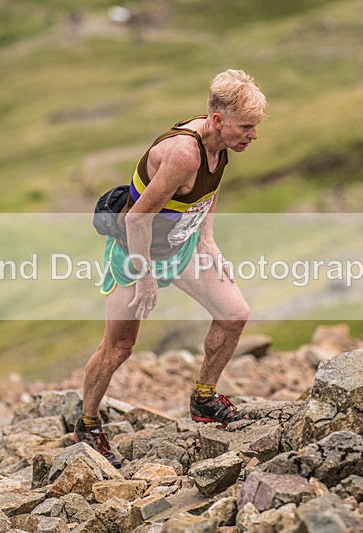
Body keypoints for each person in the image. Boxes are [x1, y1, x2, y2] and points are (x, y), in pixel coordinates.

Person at [74, 69, 268, 467]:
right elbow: (136, 219)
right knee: (118, 349)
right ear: (218, 120)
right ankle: (88, 424)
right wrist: (145, 275)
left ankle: (204, 399)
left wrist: (207, 239)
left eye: (255, 127)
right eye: (246, 127)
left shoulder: (222, 143)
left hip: (181, 249)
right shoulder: (184, 155)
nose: (254, 135)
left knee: (234, 314)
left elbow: (211, 189)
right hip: (135, 252)